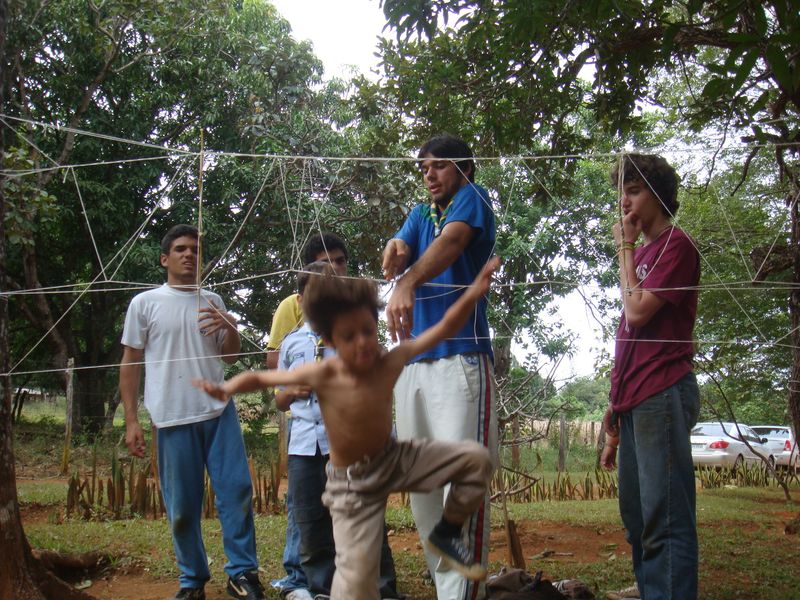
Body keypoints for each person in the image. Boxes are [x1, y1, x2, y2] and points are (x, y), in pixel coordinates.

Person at [195, 257, 501, 600]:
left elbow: (443, 328)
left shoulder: (389, 362)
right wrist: (226, 388)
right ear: (331, 340)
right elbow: (260, 378)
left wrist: (473, 292)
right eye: (349, 336)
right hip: (352, 484)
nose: (362, 343)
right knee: (356, 579)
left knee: (476, 460)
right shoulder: (325, 374)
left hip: (395, 459)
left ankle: (447, 532)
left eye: (368, 331)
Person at [120, 224, 265, 600]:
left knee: (236, 491)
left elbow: (229, 356)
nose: (189, 255)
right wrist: (132, 420)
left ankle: (242, 574)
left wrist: (231, 326)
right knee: (182, 506)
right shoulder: (144, 303)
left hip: (218, 413)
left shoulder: (213, 301)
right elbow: (130, 362)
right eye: (181, 249)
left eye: (196, 250)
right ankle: (192, 580)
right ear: (164, 259)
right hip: (171, 417)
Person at [382, 134, 497, 600]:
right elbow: (402, 245)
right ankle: (448, 591)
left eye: (439, 166)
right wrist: (395, 247)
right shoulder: (421, 213)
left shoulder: (473, 198)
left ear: (463, 168)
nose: (429, 174)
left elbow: (450, 244)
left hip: (459, 358)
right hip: (413, 364)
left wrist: (407, 282)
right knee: (423, 489)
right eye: (424, 168)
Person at [268, 233, 401, 600]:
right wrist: (290, 392)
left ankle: (382, 589)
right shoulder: (291, 344)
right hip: (303, 448)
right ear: (301, 300)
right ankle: (323, 589)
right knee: (311, 522)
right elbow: (279, 400)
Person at [600, 154, 701, 600]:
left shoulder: (677, 246)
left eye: (634, 190)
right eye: (621, 192)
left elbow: (638, 312)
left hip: (662, 390)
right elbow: (628, 336)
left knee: (665, 517)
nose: (624, 202)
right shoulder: (641, 254)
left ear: (658, 195)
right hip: (634, 397)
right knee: (637, 518)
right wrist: (614, 406)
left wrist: (624, 249)